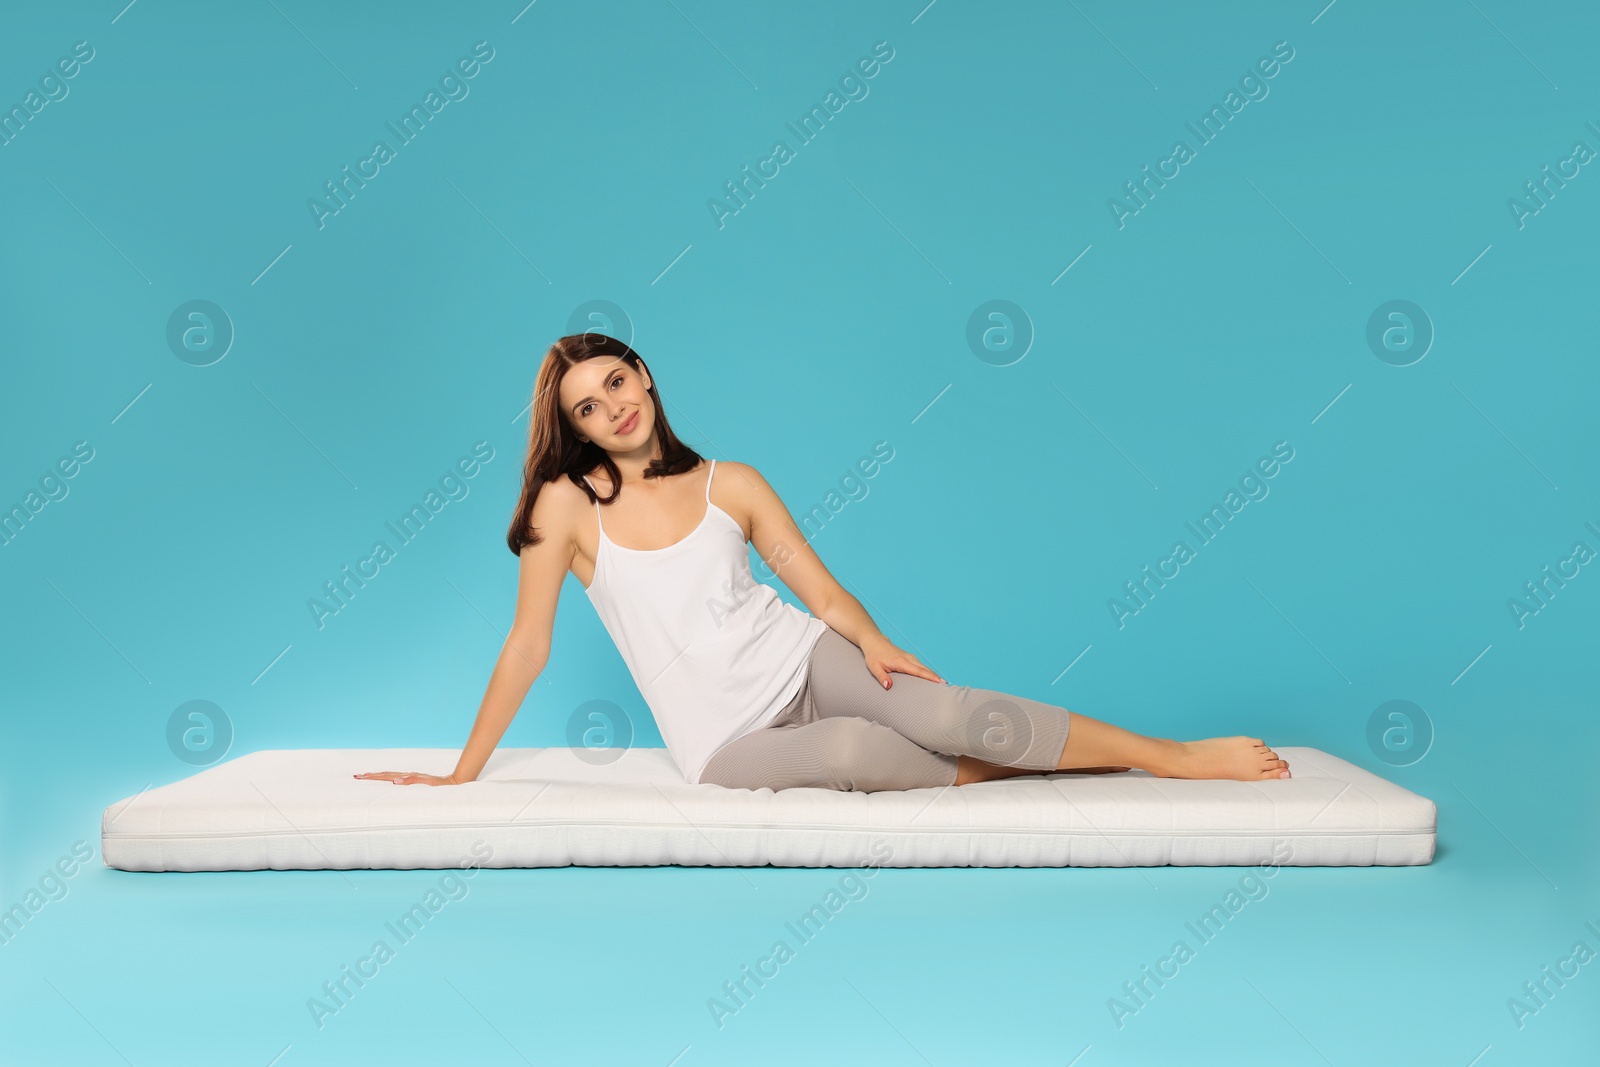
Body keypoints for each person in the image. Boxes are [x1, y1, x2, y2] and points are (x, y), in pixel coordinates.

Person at [357, 333, 1291, 792]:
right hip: (723, 738)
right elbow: (526, 646)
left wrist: (879, 645)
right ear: (575, 429)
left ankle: (1165, 757)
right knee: (860, 753)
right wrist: (460, 774)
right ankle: (1037, 769)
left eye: (615, 383)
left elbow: (818, 586)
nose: (612, 408)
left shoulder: (735, 482)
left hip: (803, 657)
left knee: (948, 709)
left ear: (644, 376)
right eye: (588, 408)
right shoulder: (569, 508)